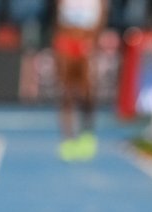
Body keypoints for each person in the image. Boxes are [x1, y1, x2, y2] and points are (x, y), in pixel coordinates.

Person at [53, 0, 106, 162]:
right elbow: (58, 15)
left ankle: (87, 135)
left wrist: (94, 40)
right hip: (66, 40)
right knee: (66, 92)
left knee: (87, 92)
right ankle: (67, 139)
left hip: (86, 40)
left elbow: (102, 16)